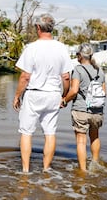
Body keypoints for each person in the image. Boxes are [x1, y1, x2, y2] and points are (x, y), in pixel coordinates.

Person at [12, 13, 73, 173]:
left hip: (34, 94)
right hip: (53, 94)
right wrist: (64, 96)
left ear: (38, 28)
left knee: (26, 133)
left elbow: (25, 76)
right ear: (52, 28)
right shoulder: (61, 48)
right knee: (50, 132)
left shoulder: (31, 48)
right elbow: (66, 77)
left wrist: (17, 96)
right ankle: (46, 170)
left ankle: (25, 171)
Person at [61, 43, 106, 172]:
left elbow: (74, 90)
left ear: (80, 56)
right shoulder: (99, 70)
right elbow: (104, 92)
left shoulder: (78, 70)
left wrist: (64, 100)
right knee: (95, 137)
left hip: (81, 110)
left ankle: (83, 171)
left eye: (77, 55)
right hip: (97, 111)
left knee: (81, 141)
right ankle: (95, 164)